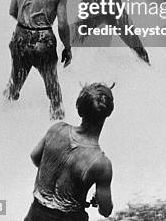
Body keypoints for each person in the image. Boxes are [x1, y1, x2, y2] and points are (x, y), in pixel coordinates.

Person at [24, 82, 114, 221]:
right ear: (108, 112)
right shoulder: (101, 164)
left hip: (35, 214)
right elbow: (106, 210)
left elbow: (35, 157)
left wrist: (53, 171)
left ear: (80, 109)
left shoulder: (57, 129)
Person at [3, 0, 72, 120]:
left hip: (20, 38)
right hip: (43, 41)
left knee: (13, 86)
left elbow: (13, 11)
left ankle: (0, 122)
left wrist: (26, 27)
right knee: (54, 93)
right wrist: (67, 47)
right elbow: (62, 24)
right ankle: (56, 130)